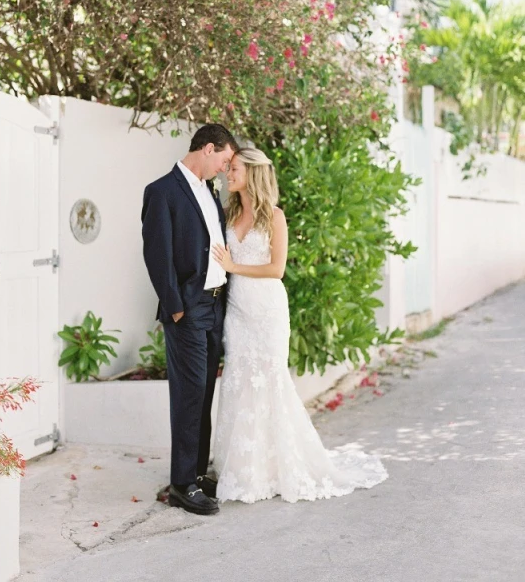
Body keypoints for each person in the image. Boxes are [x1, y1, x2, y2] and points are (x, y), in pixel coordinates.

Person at [211, 147, 388, 503]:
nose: (228, 174)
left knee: (270, 383)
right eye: (228, 169)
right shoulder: (227, 214)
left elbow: (276, 269)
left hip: (268, 312)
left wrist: (234, 268)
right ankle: (244, 469)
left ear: (253, 174)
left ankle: (278, 467)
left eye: (234, 169)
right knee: (239, 382)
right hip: (238, 314)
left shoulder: (273, 216)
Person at [141, 124, 238, 515]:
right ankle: (181, 484)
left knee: (205, 391)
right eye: (225, 160)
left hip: (216, 306)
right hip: (189, 307)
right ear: (208, 148)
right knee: (189, 392)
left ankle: (196, 473)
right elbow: (156, 255)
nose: (225, 169)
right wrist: (176, 306)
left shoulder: (209, 193)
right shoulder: (161, 191)